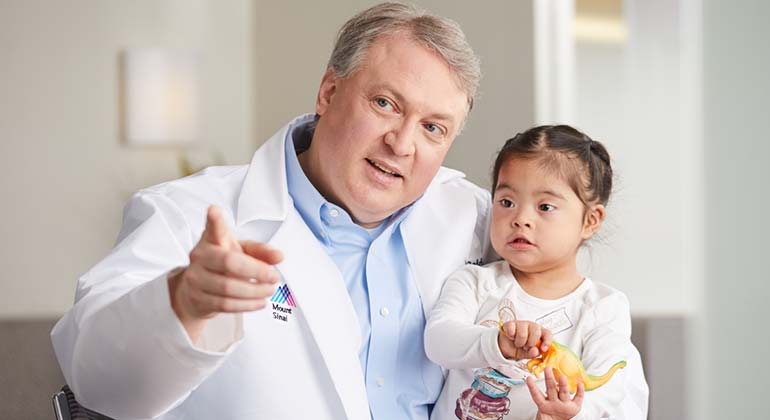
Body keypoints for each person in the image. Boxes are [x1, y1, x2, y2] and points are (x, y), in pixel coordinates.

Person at [51, 3, 494, 420]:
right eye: (385, 104)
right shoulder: (188, 212)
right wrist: (181, 304)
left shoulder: (478, 219)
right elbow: (93, 377)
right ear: (329, 92)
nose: (401, 144)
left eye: (433, 128)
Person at [424, 126, 649, 420]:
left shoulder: (602, 306)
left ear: (590, 221)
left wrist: (569, 413)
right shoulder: (475, 282)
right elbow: (438, 341)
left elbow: (611, 389)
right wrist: (498, 343)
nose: (520, 219)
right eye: (507, 202)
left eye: (545, 206)